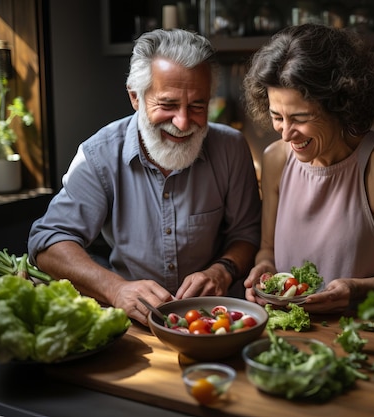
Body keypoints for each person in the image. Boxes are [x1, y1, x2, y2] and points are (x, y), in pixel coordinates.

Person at [28, 29, 261, 324]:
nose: (183, 122)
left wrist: (222, 270)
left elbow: (248, 233)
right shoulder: (99, 154)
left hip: (216, 321)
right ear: (135, 97)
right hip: (131, 322)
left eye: (198, 106)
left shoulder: (232, 148)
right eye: (167, 105)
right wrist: (115, 289)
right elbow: (48, 240)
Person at [242, 24, 374, 314]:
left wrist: (357, 290)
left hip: (363, 336)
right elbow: (267, 248)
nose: (285, 134)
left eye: (300, 117)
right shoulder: (275, 160)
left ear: (341, 104)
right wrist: (264, 267)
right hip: (286, 335)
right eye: (276, 117)